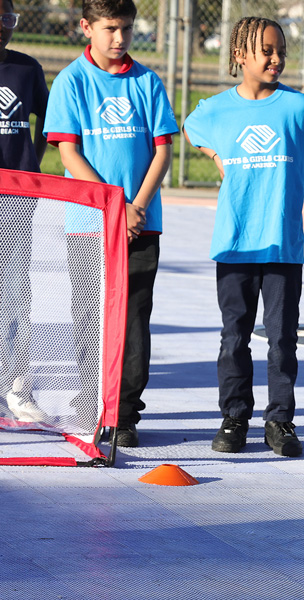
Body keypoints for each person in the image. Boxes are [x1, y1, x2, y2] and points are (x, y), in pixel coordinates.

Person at [183, 16, 304, 457]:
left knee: (284, 339)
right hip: (234, 243)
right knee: (235, 337)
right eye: (266, 50)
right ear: (239, 56)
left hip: (282, 246)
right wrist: (216, 155)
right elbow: (193, 128)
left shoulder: (299, 107)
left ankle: (280, 421)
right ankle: (234, 418)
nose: (276, 58)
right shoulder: (216, 109)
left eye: (280, 51)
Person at [44, 0, 178, 446]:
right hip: (89, 221)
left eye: (126, 28)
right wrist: (113, 206)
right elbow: (69, 153)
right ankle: (91, 403)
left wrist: (136, 206)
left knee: (135, 315)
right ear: (87, 27)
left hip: (141, 224)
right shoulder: (71, 82)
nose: (120, 38)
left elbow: (162, 150)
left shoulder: (146, 82)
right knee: (90, 314)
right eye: (110, 29)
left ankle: (123, 413)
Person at [0, 0, 49, 423]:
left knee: (16, 290)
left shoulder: (26, 68)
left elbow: (46, 120)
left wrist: (34, 164)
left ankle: (17, 386)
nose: (2, 26)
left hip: (17, 195)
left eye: (7, 19)